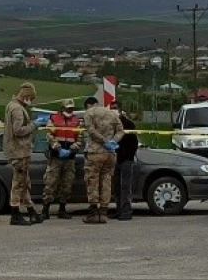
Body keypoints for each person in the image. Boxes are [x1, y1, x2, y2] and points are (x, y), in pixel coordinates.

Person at [4, 82, 43, 226]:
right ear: (26, 96)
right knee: (19, 182)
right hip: (19, 151)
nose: (31, 102)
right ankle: (15, 213)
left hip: (18, 150)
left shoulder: (11, 105)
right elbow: (18, 130)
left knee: (24, 182)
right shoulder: (17, 109)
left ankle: (31, 210)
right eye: (31, 98)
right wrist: (35, 125)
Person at [81, 96, 124, 224]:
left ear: (88, 105)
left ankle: (93, 212)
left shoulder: (89, 113)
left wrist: (103, 140)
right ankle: (104, 211)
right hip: (110, 153)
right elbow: (121, 131)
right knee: (106, 180)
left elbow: (91, 131)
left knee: (92, 180)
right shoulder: (111, 113)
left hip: (95, 152)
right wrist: (113, 141)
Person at [41, 99, 83, 219]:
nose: (70, 111)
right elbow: (49, 135)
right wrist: (58, 148)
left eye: (71, 109)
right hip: (55, 156)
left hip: (69, 157)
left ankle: (62, 209)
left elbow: (80, 138)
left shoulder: (77, 121)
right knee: (51, 182)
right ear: (62, 108)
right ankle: (45, 209)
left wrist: (72, 149)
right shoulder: (54, 119)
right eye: (67, 108)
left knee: (67, 184)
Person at [108, 100, 138, 221]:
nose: (113, 110)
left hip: (126, 159)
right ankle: (119, 209)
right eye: (111, 108)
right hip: (115, 158)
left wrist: (128, 156)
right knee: (116, 187)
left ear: (120, 109)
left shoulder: (128, 124)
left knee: (125, 186)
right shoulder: (110, 124)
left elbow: (134, 143)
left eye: (115, 107)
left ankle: (126, 210)